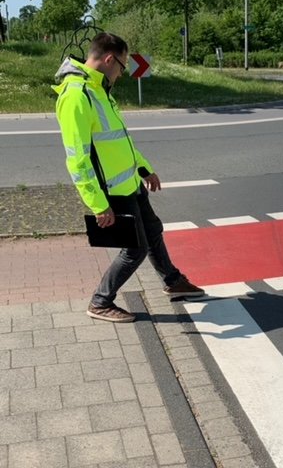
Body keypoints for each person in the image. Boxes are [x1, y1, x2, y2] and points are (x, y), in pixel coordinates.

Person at [52, 32, 204, 323]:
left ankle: (172, 281)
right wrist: (98, 204)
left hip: (130, 184)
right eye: (122, 66)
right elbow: (78, 159)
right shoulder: (77, 95)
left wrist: (144, 168)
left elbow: (119, 140)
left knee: (153, 229)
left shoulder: (99, 90)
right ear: (109, 59)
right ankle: (100, 301)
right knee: (135, 250)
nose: (122, 73)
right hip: (112, 191)